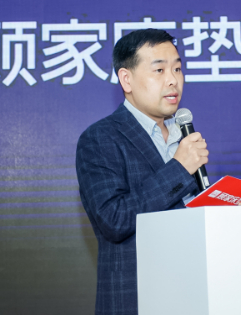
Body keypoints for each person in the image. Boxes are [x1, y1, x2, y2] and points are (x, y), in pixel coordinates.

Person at [76, 29, 209, 315]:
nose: (173, 80)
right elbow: (114, 219)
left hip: (194, 294)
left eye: (177, 69)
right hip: (137, 299)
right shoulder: (101, 138)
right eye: (159, 70)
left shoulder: (184, 135)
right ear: (127, 79)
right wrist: (179, 169)